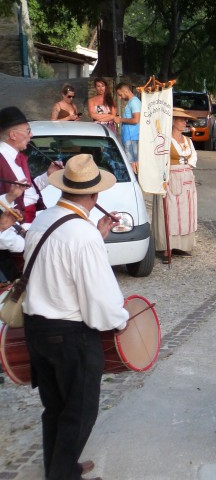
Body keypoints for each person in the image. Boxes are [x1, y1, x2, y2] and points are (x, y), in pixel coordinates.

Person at [22, 154, 129, 480]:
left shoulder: (43, 218)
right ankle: (62, 475)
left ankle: (61, 467)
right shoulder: (82, 234)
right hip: (69, 334)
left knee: (54, 407)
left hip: (35, 328)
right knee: (80, 411)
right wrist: (121, 320)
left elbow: (61, 262)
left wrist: (96, 235)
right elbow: (101, 301)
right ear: (95, 195)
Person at [0, 106, 61, 224]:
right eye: (28, 130)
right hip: (13, 229)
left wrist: (48, 176)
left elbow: (27, 192)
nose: (31, 135)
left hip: (29, 221)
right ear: (13, 135)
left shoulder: (19, 157)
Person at [153, 108, 198, 260]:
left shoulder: (187, 140)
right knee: (171, 212)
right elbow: (159, 158)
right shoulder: (165, 139)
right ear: (173, 121)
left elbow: (193, 157)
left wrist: (187, 165)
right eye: (181, 120)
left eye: (186, 120)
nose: (185, 122)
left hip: (187, 178)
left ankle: (182, 245)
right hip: (171, 178)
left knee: (186, 212)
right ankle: (167, 247)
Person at [114, 82, 142, 171]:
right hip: (129, 139)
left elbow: (136, 120)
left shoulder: (134, 102)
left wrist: (121, 119)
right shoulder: (132, 102)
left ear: (126, 91)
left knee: (133, 165)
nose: (120, 97)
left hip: (132, 138)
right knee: (132, 163)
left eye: (120, 94)